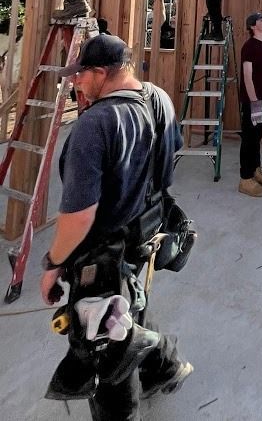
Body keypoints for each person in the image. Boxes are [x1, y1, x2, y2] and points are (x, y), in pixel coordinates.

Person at [40, 34, 192, 420]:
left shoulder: (94, 126)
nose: (75, 82)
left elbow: (79, 217)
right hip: (147, 232)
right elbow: (172, 155)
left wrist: (54, 263)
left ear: (103, 72)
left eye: (80, 75)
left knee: (107, 347)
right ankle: (166, 366)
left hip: (104, 251)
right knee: (128, 302)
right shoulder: (158, 98)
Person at [238, 12, 262, 197]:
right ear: (253, 26)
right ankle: (245, 179)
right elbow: (247, 76)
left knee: (257, 138)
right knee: (249, 139)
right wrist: (254, 105)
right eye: (261, 20)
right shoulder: (249, 47)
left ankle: (256, 171)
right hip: (251, 101)